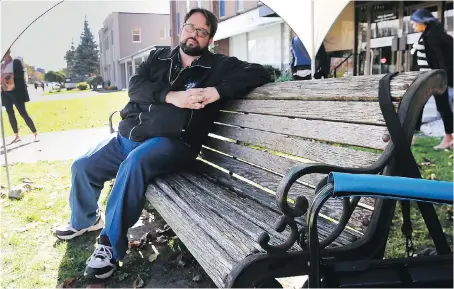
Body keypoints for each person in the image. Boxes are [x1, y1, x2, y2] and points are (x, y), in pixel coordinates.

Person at [54, 8, 271, 279]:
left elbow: (261, 72)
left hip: (173, 143)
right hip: (129, 136)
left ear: (209, 39)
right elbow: (135, 88)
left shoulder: (218, 66)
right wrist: (172, 96)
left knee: (134, 164)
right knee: (83, 165)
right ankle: (84, 220)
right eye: (191, 27)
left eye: (203, 32)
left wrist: (217, 91)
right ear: (181, 30)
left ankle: (109, 246)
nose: (195, 34)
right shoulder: (157, 57)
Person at [410, 8, 453, 150]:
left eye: (415, 23)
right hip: (427, 78)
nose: (413, 25)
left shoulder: (432, 36)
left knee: (442, 107)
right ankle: (413, 136)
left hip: (433, 79)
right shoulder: (429, 34)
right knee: (418, 106)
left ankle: (448, 138)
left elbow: (439, 60)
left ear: (424, 22)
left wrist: (442, 79)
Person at [1, 50, 38, 143]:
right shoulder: (2, 65)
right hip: (5, 92)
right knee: (10, 114)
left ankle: (35, 133)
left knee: (23, 113)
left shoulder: (15, 62)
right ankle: (17, 136)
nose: (4, 55)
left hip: (16, 92)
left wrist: (8, 75)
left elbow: (20, 75)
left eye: (5, 53)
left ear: (9, 53)